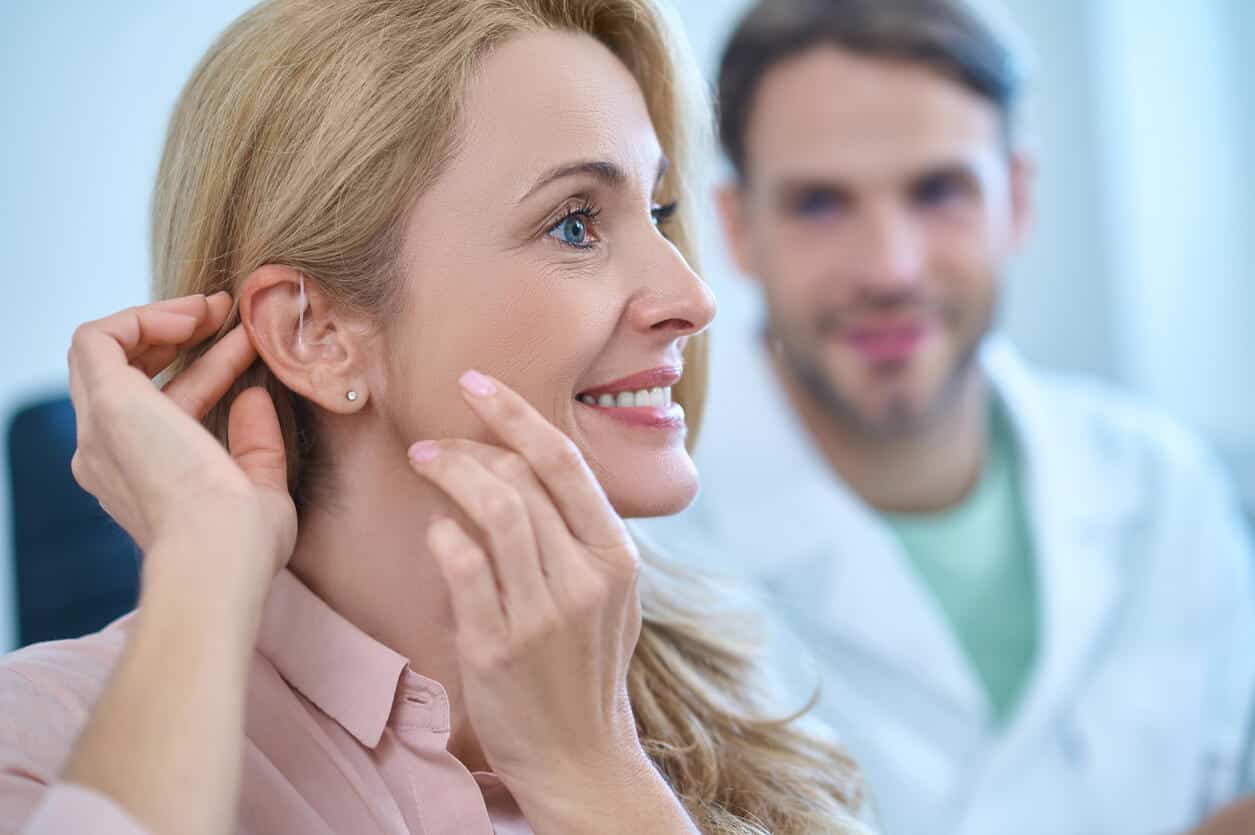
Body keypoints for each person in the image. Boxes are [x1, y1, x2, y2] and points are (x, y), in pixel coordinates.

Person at [0, 1, 873, 833]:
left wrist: (594, 773)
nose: (693, 295)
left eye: (657, 213)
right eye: (575, 224)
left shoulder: (745, 703)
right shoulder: (37, 741)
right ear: (315, 334)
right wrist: (198, 563)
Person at [637, 1, 1255, 833]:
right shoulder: (651, 545)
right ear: (738, 229)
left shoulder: (1162, 487)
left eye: (937, 191)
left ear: (1017, 198)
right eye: (819, 203)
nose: (888, 268)